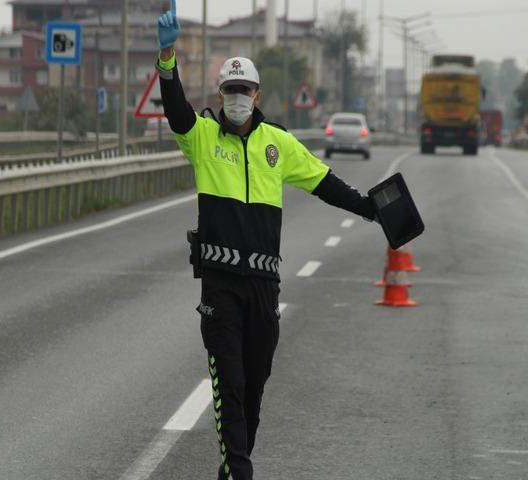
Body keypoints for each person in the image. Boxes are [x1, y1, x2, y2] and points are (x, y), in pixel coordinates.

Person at [156, 2, 377, 479]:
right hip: (220, 287)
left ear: (257, 96)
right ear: (221, 93)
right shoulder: (202, 137)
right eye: (230, 89)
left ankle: (234, 465)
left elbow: (325, 182)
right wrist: (167, 56)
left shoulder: (278, 144)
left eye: (245, 90)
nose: (237, 96)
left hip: (263, 287)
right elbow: (175, 110)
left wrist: (370, 209)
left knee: (254, 387)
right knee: (229, 384)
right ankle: (239, 471)